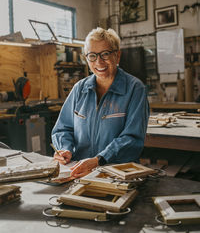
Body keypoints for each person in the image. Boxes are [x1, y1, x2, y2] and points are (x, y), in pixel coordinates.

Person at [51, 27, 149, 178]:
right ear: (86, 58)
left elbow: (132, 138)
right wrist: (65, 149)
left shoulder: (135, 89)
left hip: (119, 174)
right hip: (79, 172)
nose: (99, 61)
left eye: (105, 54)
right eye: (92, 55)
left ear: (117, 55)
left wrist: (99, 160)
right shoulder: (79, 89)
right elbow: (62, 129)